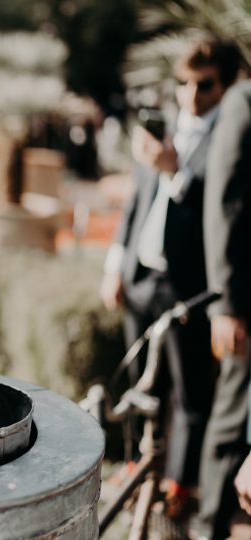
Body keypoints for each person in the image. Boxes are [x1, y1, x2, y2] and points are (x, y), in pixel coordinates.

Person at [100, 37, 241, 517]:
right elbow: (136, 200)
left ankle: (180, 484)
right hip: (143, 272)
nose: (191, 96)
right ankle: (141, 465)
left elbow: (225, 214)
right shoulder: (162, 123)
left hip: (191, 286)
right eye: (184, 82)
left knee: (189, 390)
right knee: (141, 381)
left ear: (229, 84)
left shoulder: (232, 134)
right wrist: (115, 264)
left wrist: (173, 172)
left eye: (205, 85)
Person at [196, 78, 251, 539]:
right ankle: (208, 524)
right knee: (233, 414)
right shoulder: (244, 100)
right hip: (245, 304)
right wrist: (227, 306)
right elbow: (224, 204)